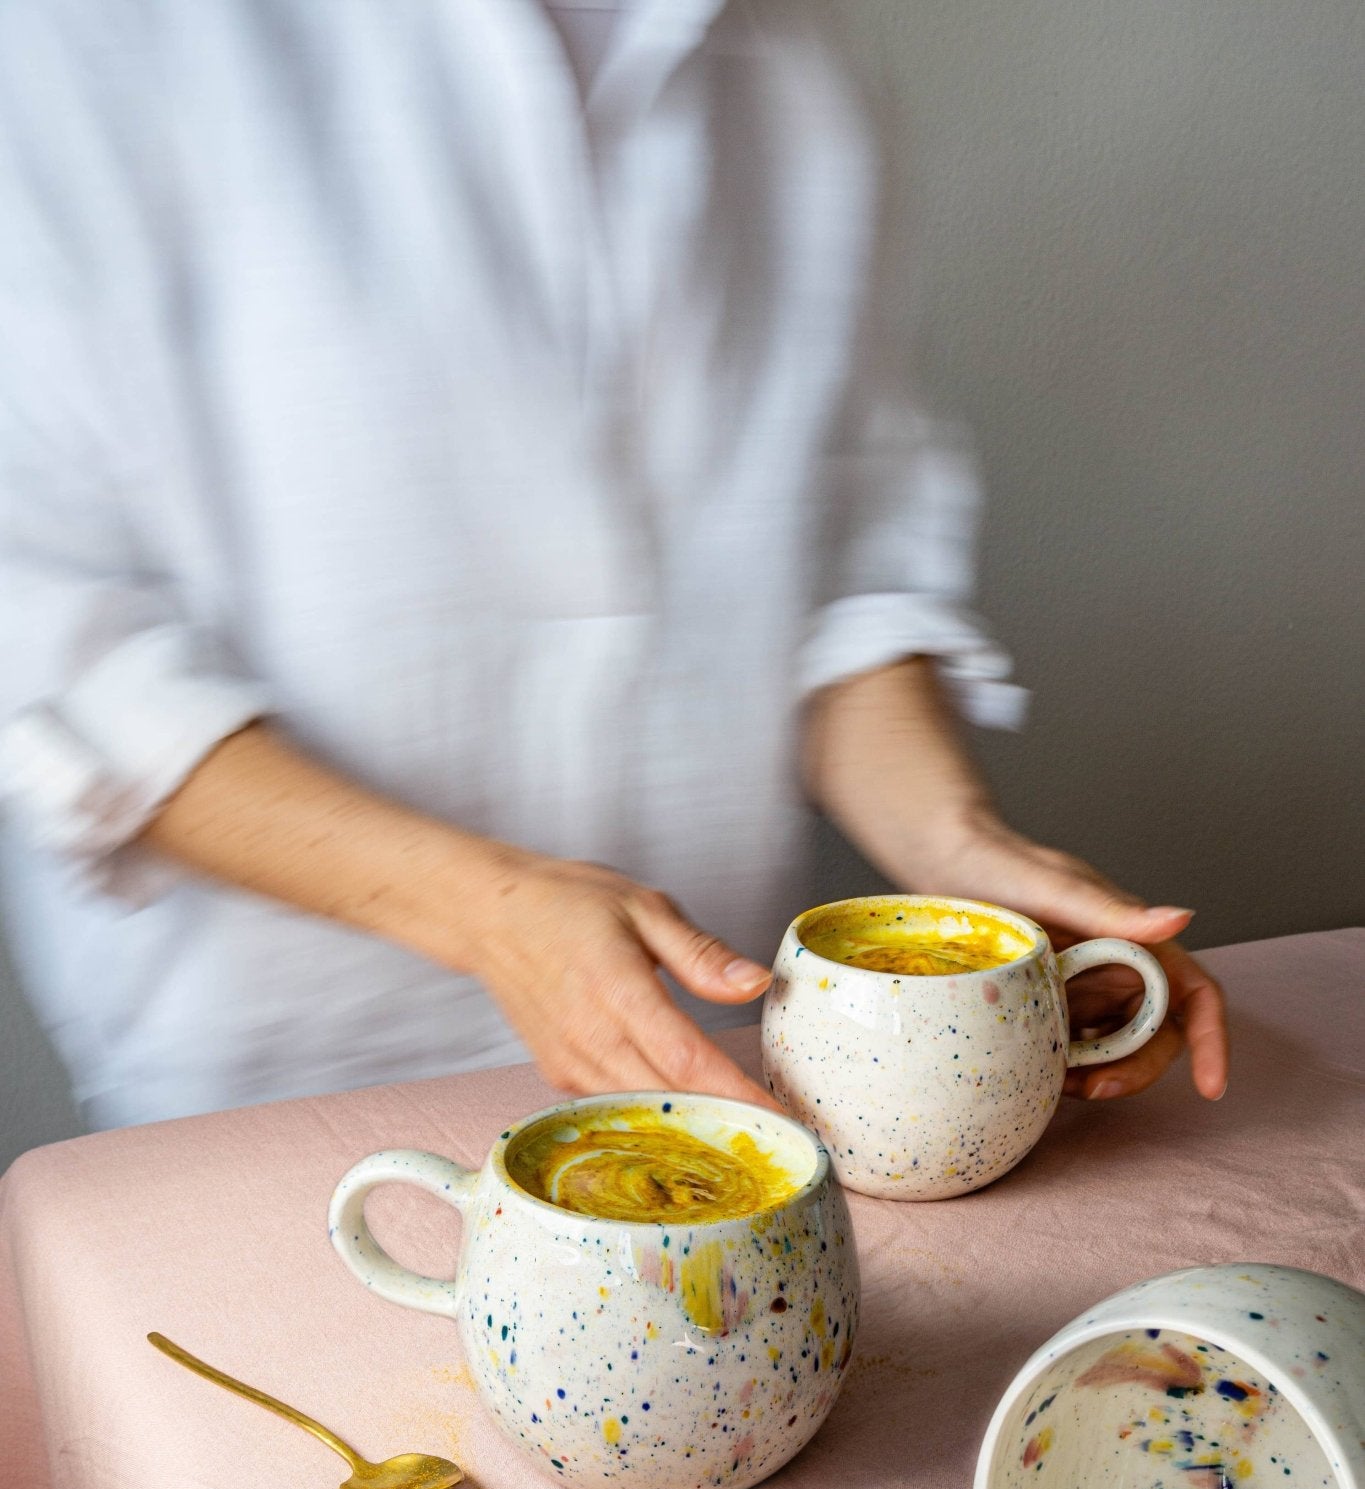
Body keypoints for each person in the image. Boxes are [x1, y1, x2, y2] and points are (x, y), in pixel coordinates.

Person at [0, 0, 1227, 1130]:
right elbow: (49, 625)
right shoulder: (87, 42)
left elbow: (840, 561)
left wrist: (956, 848)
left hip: (715, 1029)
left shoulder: (796, 66)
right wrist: (490, 909)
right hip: (266, 1075)